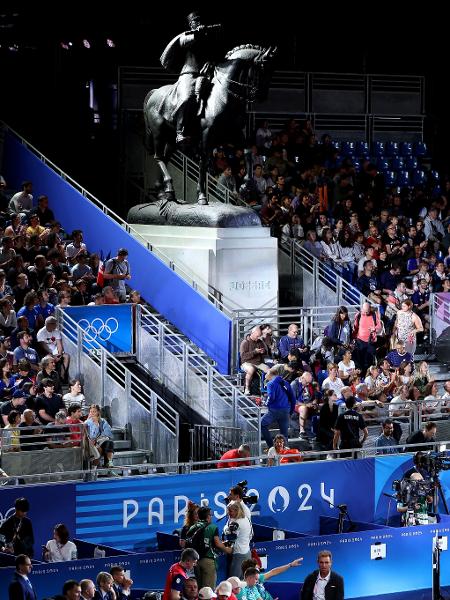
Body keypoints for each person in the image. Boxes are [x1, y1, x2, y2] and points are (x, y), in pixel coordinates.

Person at [160, 11, 221, 145]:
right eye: (195, 21)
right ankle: (179, 131)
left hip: (205, 73)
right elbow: (185, 42)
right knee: (186, 98)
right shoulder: (186, 36)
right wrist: (197, 33)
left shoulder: (206, 37)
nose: (198, 22)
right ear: (190, 24)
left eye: (199, 20)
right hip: (189, 74)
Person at [186, 506, 232, 589]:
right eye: (211, 515)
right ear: (208, 517)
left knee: (199, 590)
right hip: (208, 560)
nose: (211, 517)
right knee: (208, 591)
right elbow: (218, 544)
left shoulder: (192, 527)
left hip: (195, 562)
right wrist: (228, 550)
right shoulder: (212, 527)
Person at [261, 367, 295, 448]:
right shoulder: (286, 383)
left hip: (274, 411)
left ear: (271, 374)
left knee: (261, 424)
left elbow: (271, 397)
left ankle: (272, 447)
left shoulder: (271, 383)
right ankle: (285, 453)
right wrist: (290, 411)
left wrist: (266, 404)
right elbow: (293, 398)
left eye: (267, 374)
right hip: (286, 411)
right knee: (284, 435)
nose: (265, 375)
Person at [222, 501, 252, 578]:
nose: (228, 513)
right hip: (247, 552)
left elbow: (229, 536)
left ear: (237, 510)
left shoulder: (237, 523)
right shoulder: (245, 518)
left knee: (234, 582)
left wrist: (226, 530)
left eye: (230, 511)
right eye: (228, 510)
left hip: (239, 555)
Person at [85, 404, 115, 468]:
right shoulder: (87, 422)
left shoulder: (103, 421)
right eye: (91, 411)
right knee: (99, 446)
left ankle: (109, 462)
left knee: (109, 442)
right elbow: (91, 435)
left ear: (98, 412)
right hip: (91, 442)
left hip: (101, 440)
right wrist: (96, 424)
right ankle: (96, 466)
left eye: (94, 411)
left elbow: (108, 432)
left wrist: (101, 437)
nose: (92, 413)